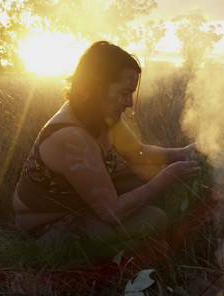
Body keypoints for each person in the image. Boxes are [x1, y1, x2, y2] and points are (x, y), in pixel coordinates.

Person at [13, 41, 201, 259]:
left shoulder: (102, 114)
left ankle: (118, 248)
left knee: (149, 172)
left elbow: (137, 153)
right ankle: (79, 258)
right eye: (124, 92)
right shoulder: (70, 136)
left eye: (132, 93)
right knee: (156, 219)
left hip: (83, 205)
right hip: (48, 225)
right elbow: (112, 211)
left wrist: (185, 151)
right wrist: (168, 176)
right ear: (96, 87)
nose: (129, 103)